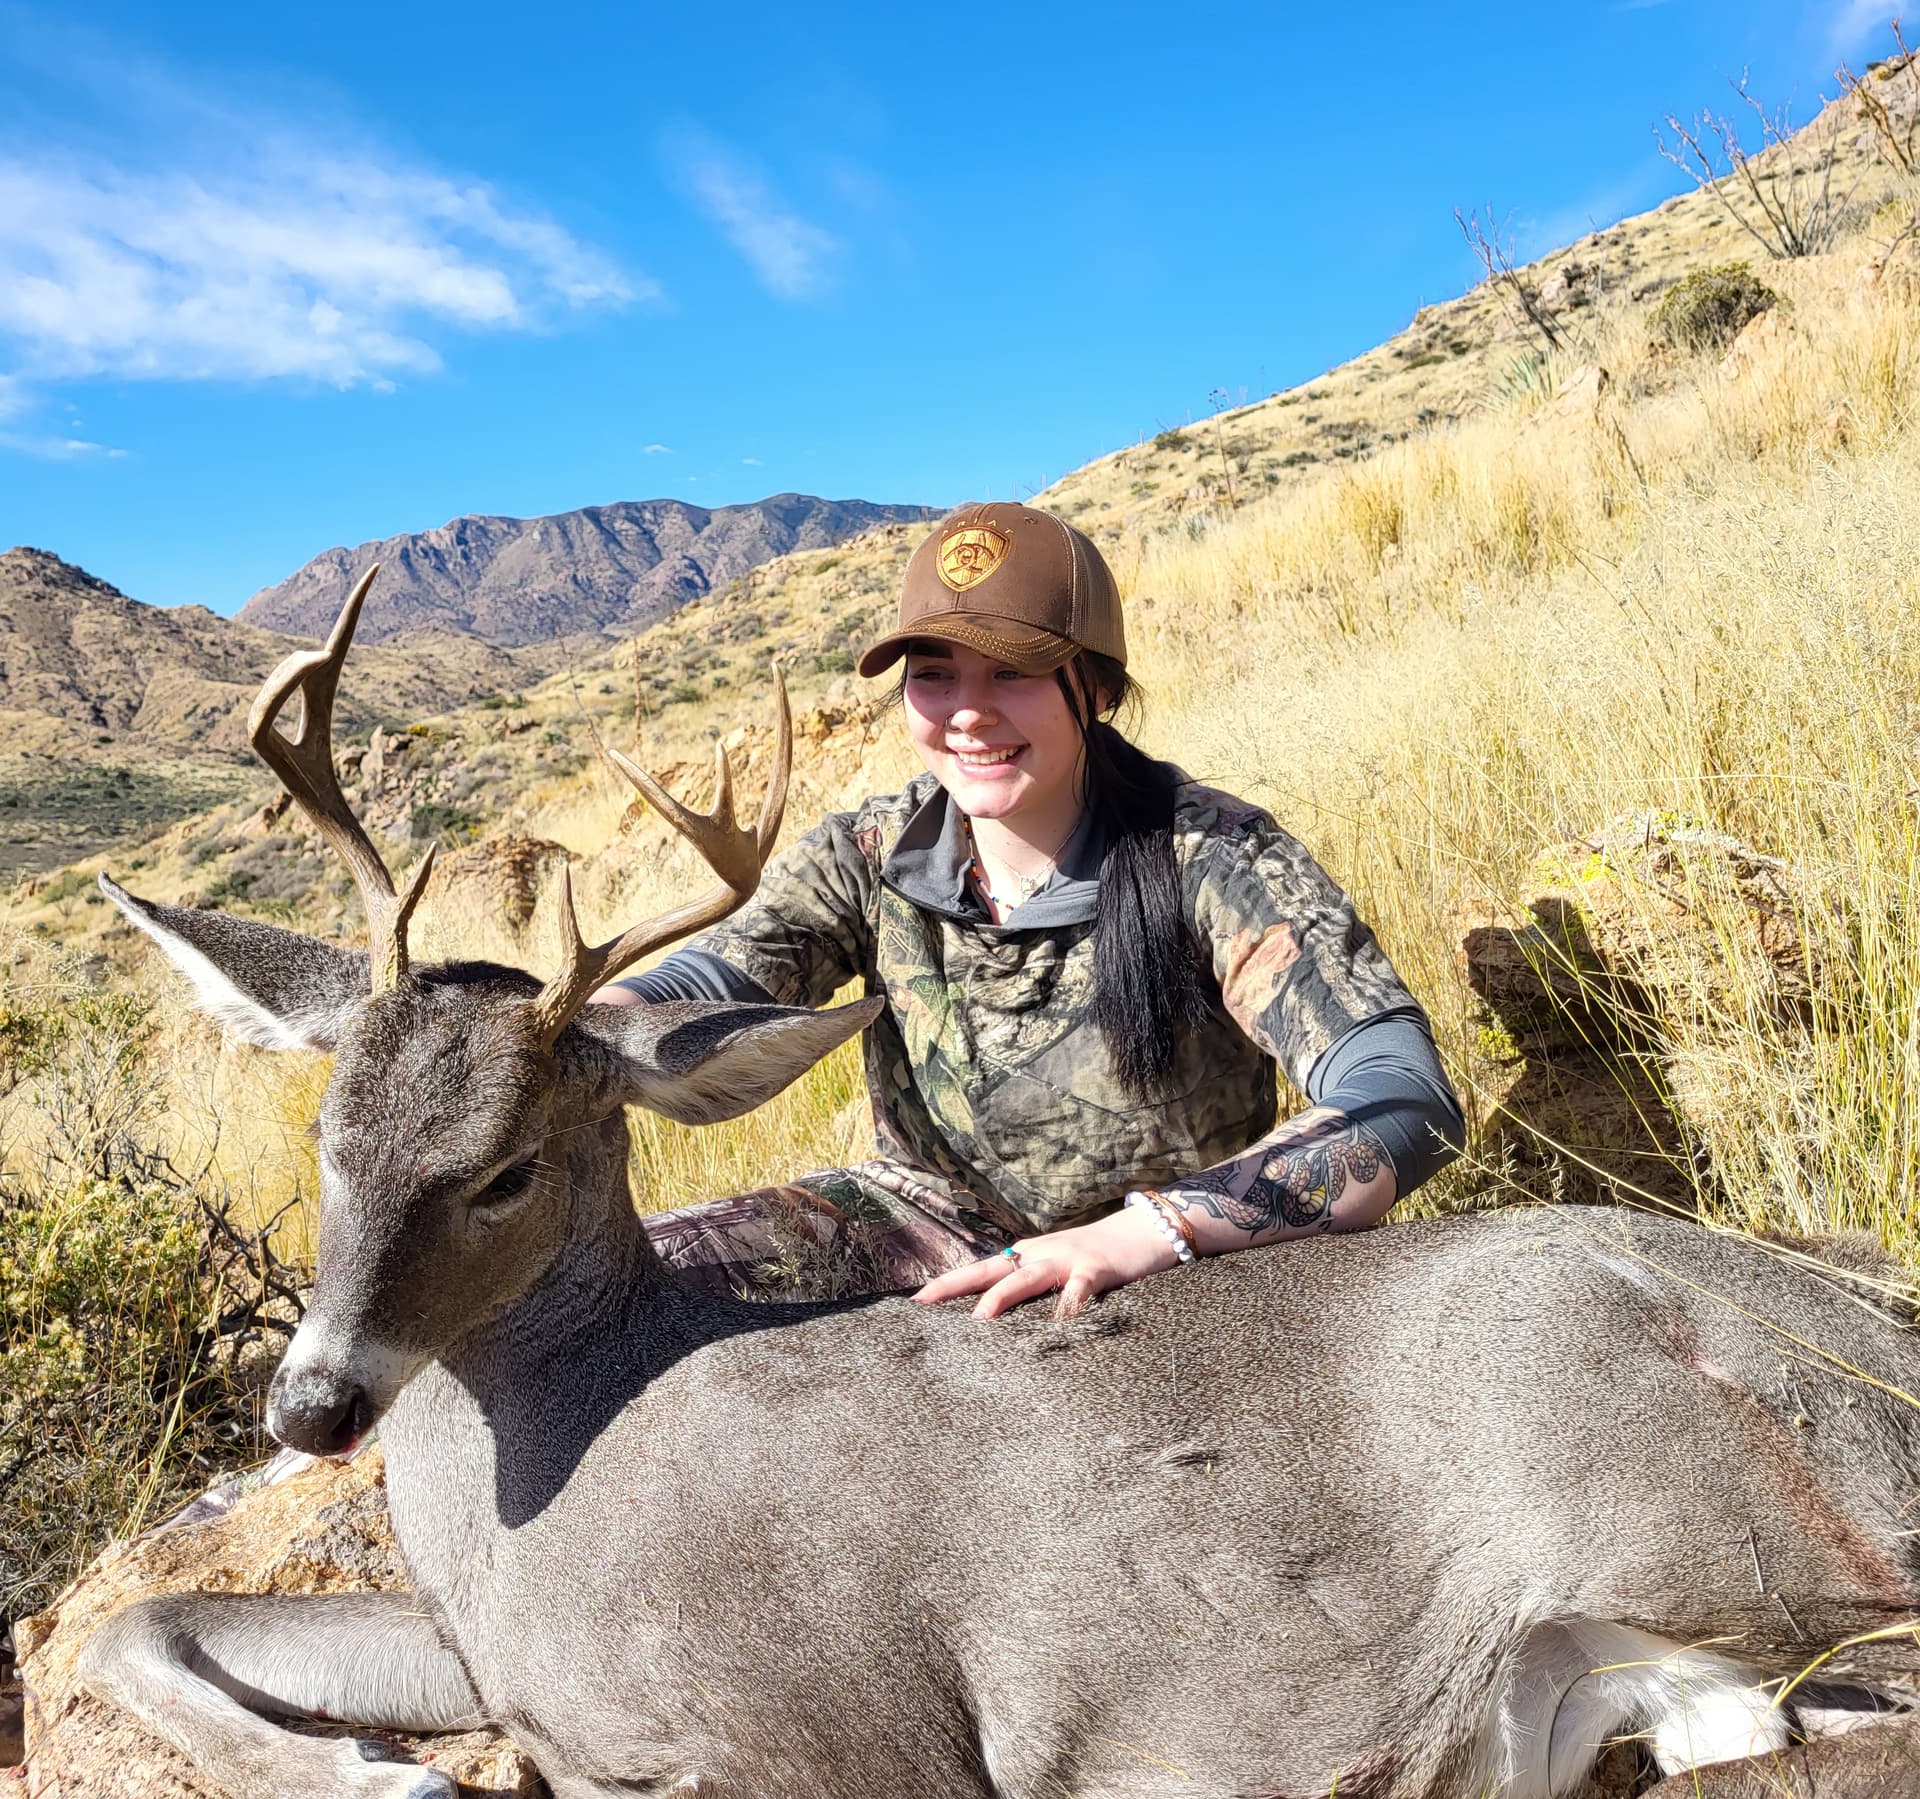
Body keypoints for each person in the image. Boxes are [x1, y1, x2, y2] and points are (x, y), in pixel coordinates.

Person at [594, 501, 1462, 1317]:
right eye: (934, 676)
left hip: (1171, 1254)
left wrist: (1153, 1228)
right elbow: (721, 975)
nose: (969, 712)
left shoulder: (1213, 855)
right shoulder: (868, 853)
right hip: (925, 1221)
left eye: (1014, 671)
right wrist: (587, 1025)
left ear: (1100, 688)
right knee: (631, 1287)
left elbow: (1404, 1099)